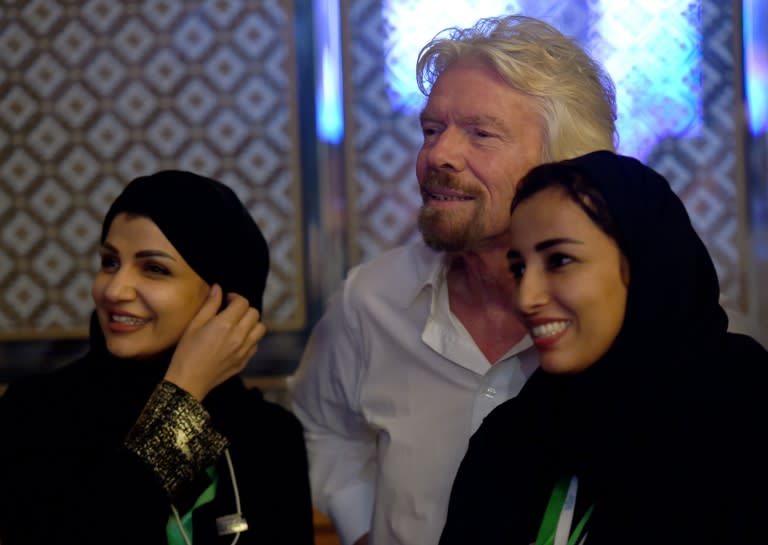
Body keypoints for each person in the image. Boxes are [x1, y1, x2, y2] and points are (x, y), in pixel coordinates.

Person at [289, 14, 617, 545]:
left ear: (566, 163)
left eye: (481, 134)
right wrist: (362, 526)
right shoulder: (372, 300)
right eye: (432, 130)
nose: (437, 155)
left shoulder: (643, 318)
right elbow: (322, 426)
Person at [439, 151, 768, 545]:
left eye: (559, 260)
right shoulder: (514, 436)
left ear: (643, 259)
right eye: (519, 268)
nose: (526, 297)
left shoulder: (743, 409)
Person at [0, 171, 315, 545]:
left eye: (154, 269)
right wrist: (184, 394)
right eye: (109, 262)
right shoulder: (37, 414)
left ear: (229, 300)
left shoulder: (269, 437)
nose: (115, 290)